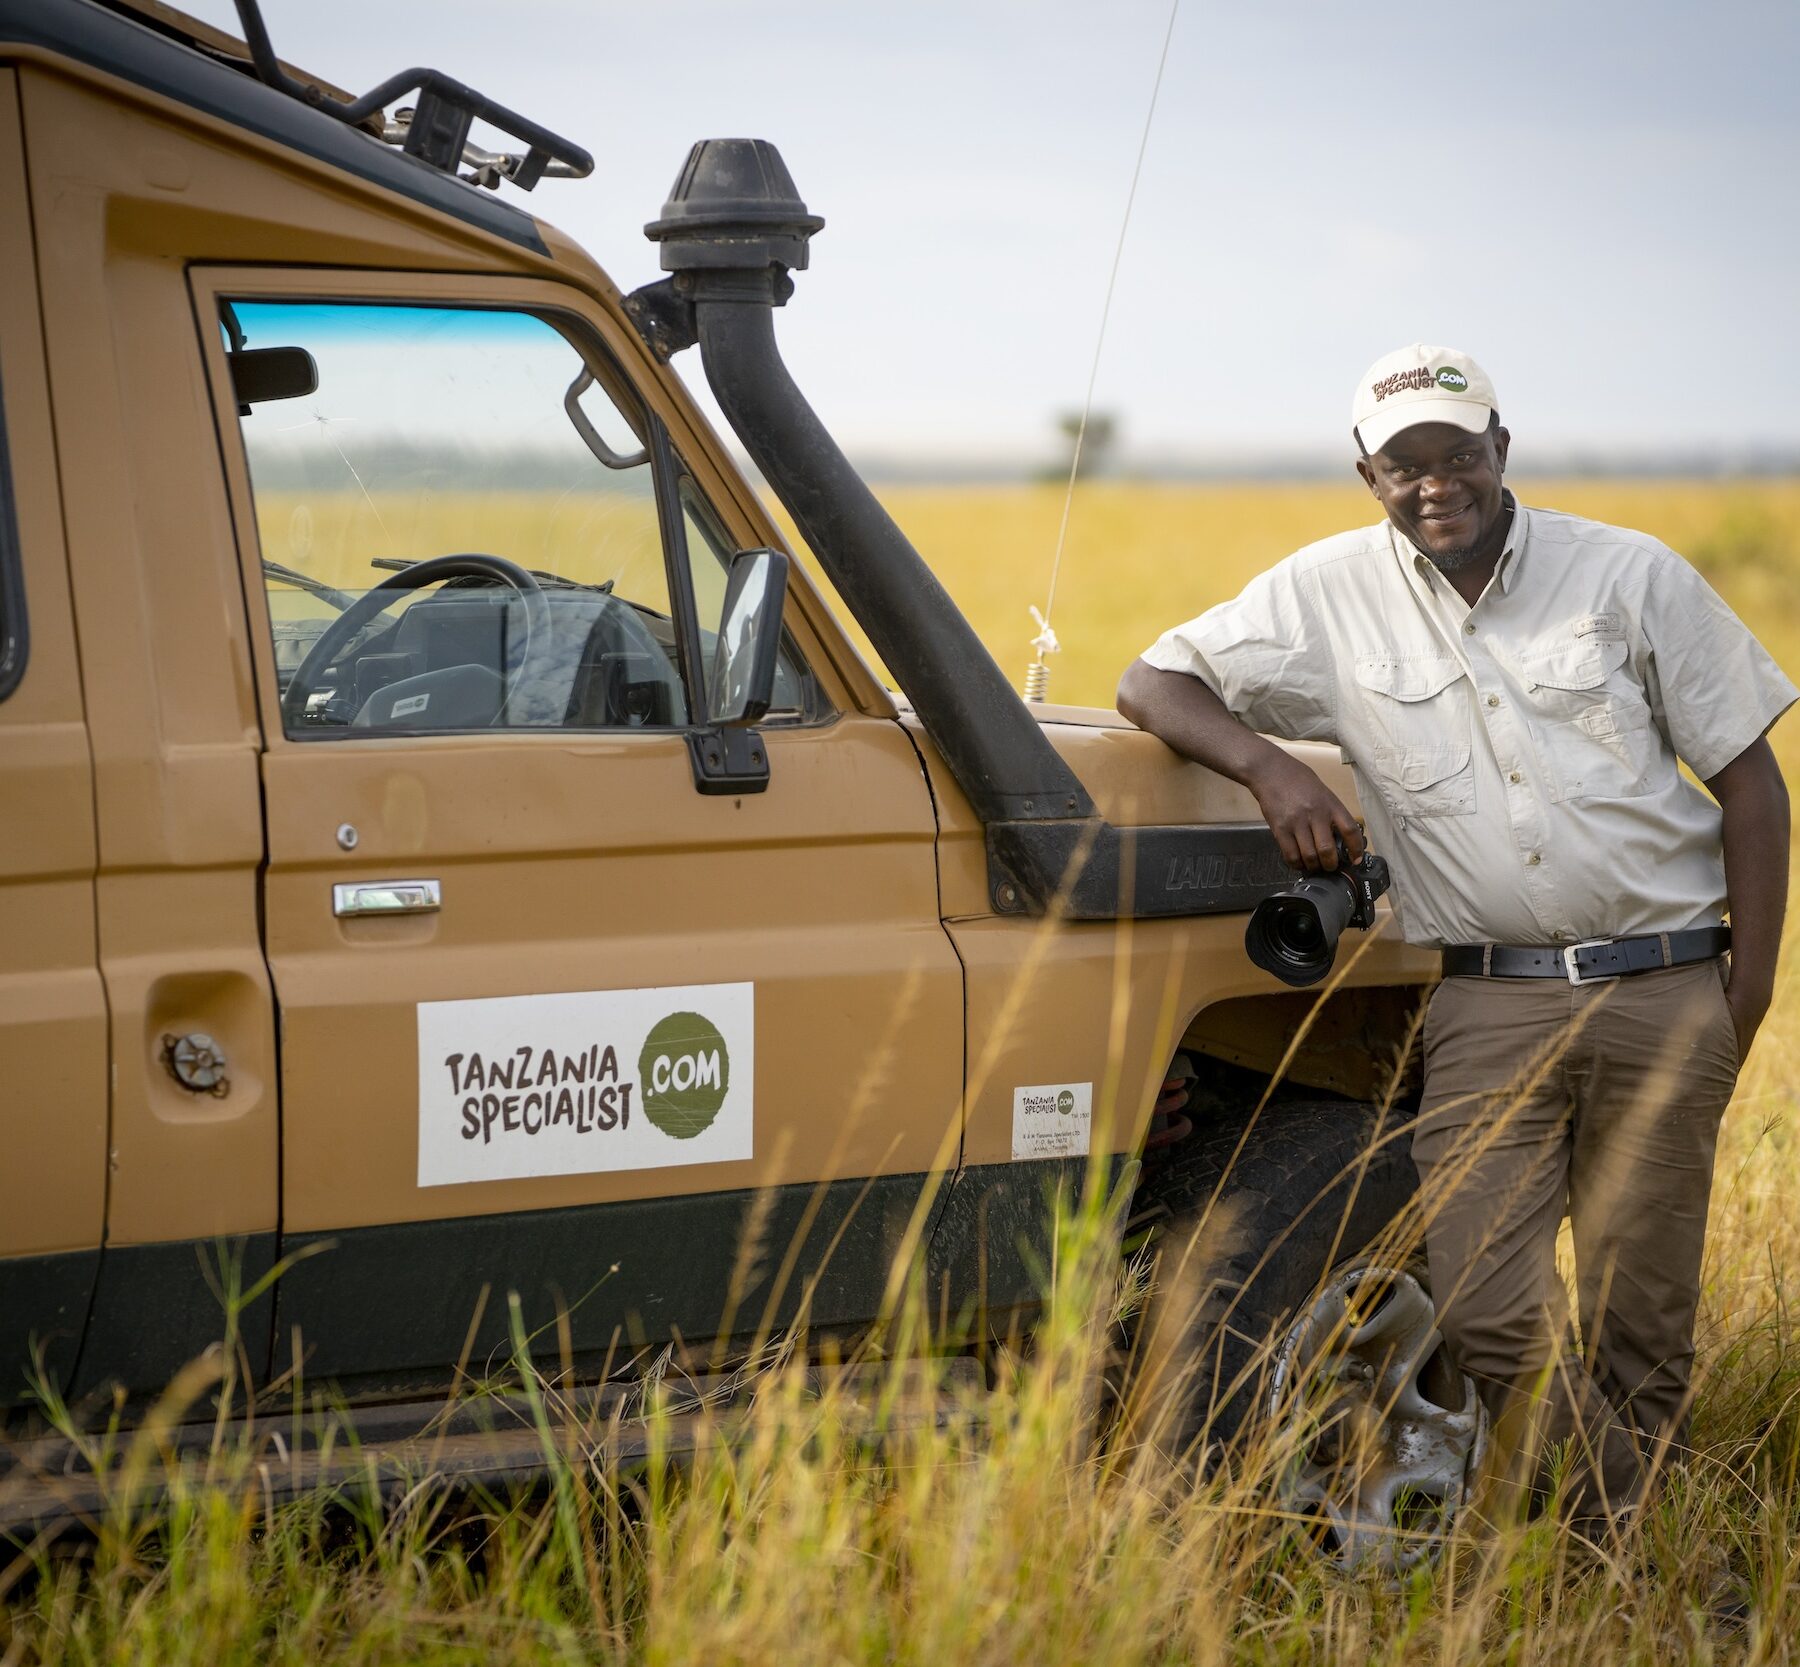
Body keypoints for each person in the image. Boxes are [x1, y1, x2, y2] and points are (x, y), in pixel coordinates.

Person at [1116, 344, 1795, 1529]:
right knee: (1487, 1305)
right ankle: (1643, 1528)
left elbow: (1754, 787)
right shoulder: (1326, 592)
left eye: (1459, 453)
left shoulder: (1627, 574)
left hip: (1664, 986)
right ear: (1368, 474)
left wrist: (1746, 993)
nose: (1437, 483)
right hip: (1487, 1002)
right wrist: (1274, 770)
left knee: (1642, 1319)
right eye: (1406, 464)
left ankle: (1621, 1566)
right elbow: (1153, 682)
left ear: (1501, 447)